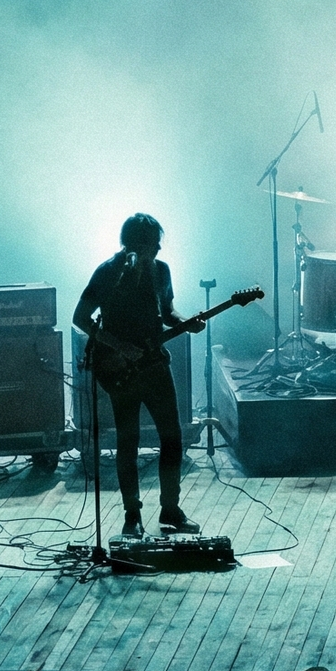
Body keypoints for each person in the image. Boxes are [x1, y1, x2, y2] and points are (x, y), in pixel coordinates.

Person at [73, 213, 206, 536]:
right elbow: (81, 317)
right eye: (152, 242)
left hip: (155, 364)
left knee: (172, 437)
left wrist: (186, 322)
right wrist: (118, 346)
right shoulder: (107, 273)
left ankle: (170, 510)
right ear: (136, 245)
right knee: (127, 441)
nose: (159, 247)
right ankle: (132, 515)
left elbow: (168, 311)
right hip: (120, 369)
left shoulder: (161, 271)